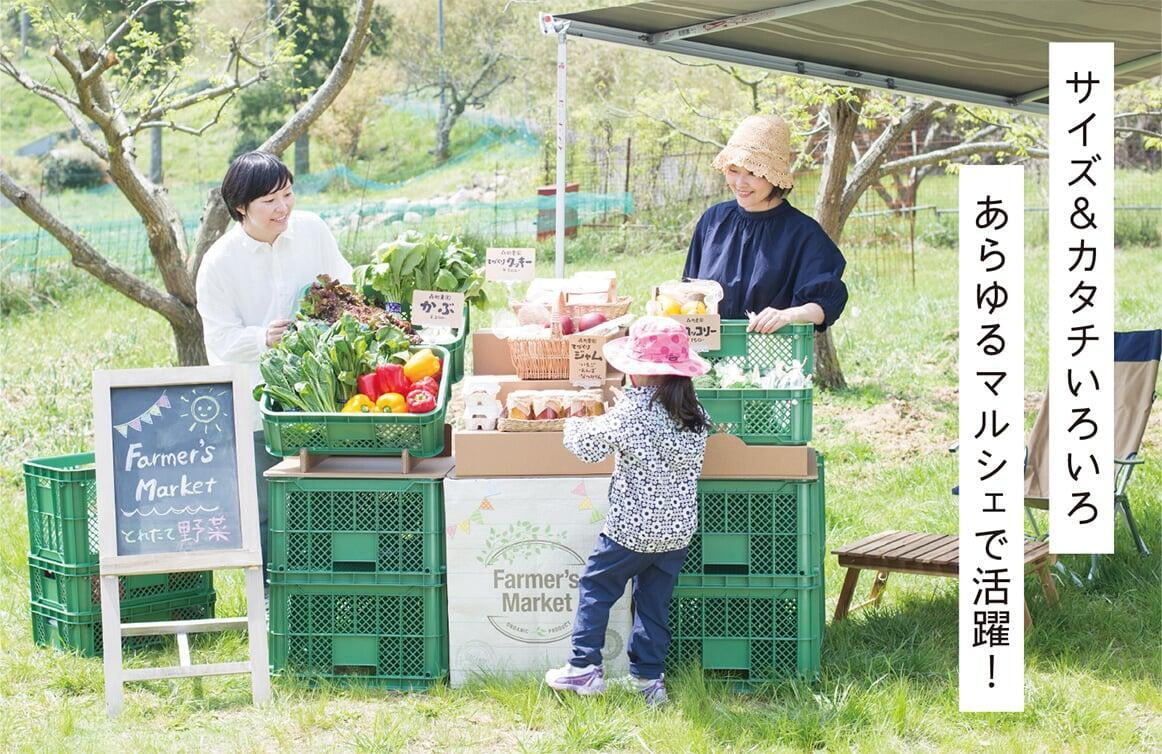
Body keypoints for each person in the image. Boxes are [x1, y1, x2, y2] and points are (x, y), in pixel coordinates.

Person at [195, 151, 352, 570]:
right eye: (269, 201)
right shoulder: (219, 263)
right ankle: (270, 595)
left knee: (326, 495)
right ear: (241, 207)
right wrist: (263, 337)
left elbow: (344, 281)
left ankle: (326, 583)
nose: (282, 207)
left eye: (287, 194)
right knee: (265, 503)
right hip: (253, 401)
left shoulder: (313, 230)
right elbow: (221, 339)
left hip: (321, 395)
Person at [544, 317, 712, 707]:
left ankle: (584, 666)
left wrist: (573, 422)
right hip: (676, 531)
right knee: (653, 604)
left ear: (635, 372)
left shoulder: (631, 414)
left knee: (596, 586)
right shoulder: (694, 414)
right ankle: (649, 681)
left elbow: (586, 447)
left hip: (632, 531)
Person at [683, 114, 849, 334]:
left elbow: (826, 303)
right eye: (733, 171)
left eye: (753, 173)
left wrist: (789, 314)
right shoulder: (713, 220)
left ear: (773, 174)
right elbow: (688, 292)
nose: (740, 183)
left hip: (773, 360)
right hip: (707, 357)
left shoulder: (803, 233)